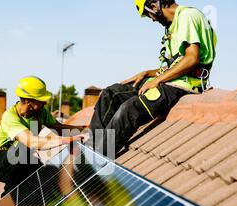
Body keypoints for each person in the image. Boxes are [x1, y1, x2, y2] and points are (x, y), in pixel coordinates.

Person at [89, 0, 217, 158]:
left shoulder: (187, 16)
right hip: (170, 80)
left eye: (147, 13)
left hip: (183, 85)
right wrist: (148, 73)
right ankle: (91, 151)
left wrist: (157, 81)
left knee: (130, 109)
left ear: (154, 5)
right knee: (110, 94)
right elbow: (176, 64)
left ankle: (96, 161)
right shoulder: (173, 25)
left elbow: (191, 59)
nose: (151, 19)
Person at [0, 76, 85, 197]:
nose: (45, 102)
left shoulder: (40, 113)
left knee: (45, 175)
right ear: (29, 101)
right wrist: (67, 140)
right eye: (41, 100)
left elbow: (59, 127)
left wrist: (85, 129)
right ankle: (9, 198)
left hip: (24, 160)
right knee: (21, 149)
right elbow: (30, 142)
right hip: (0, 164)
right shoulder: (10, 117)